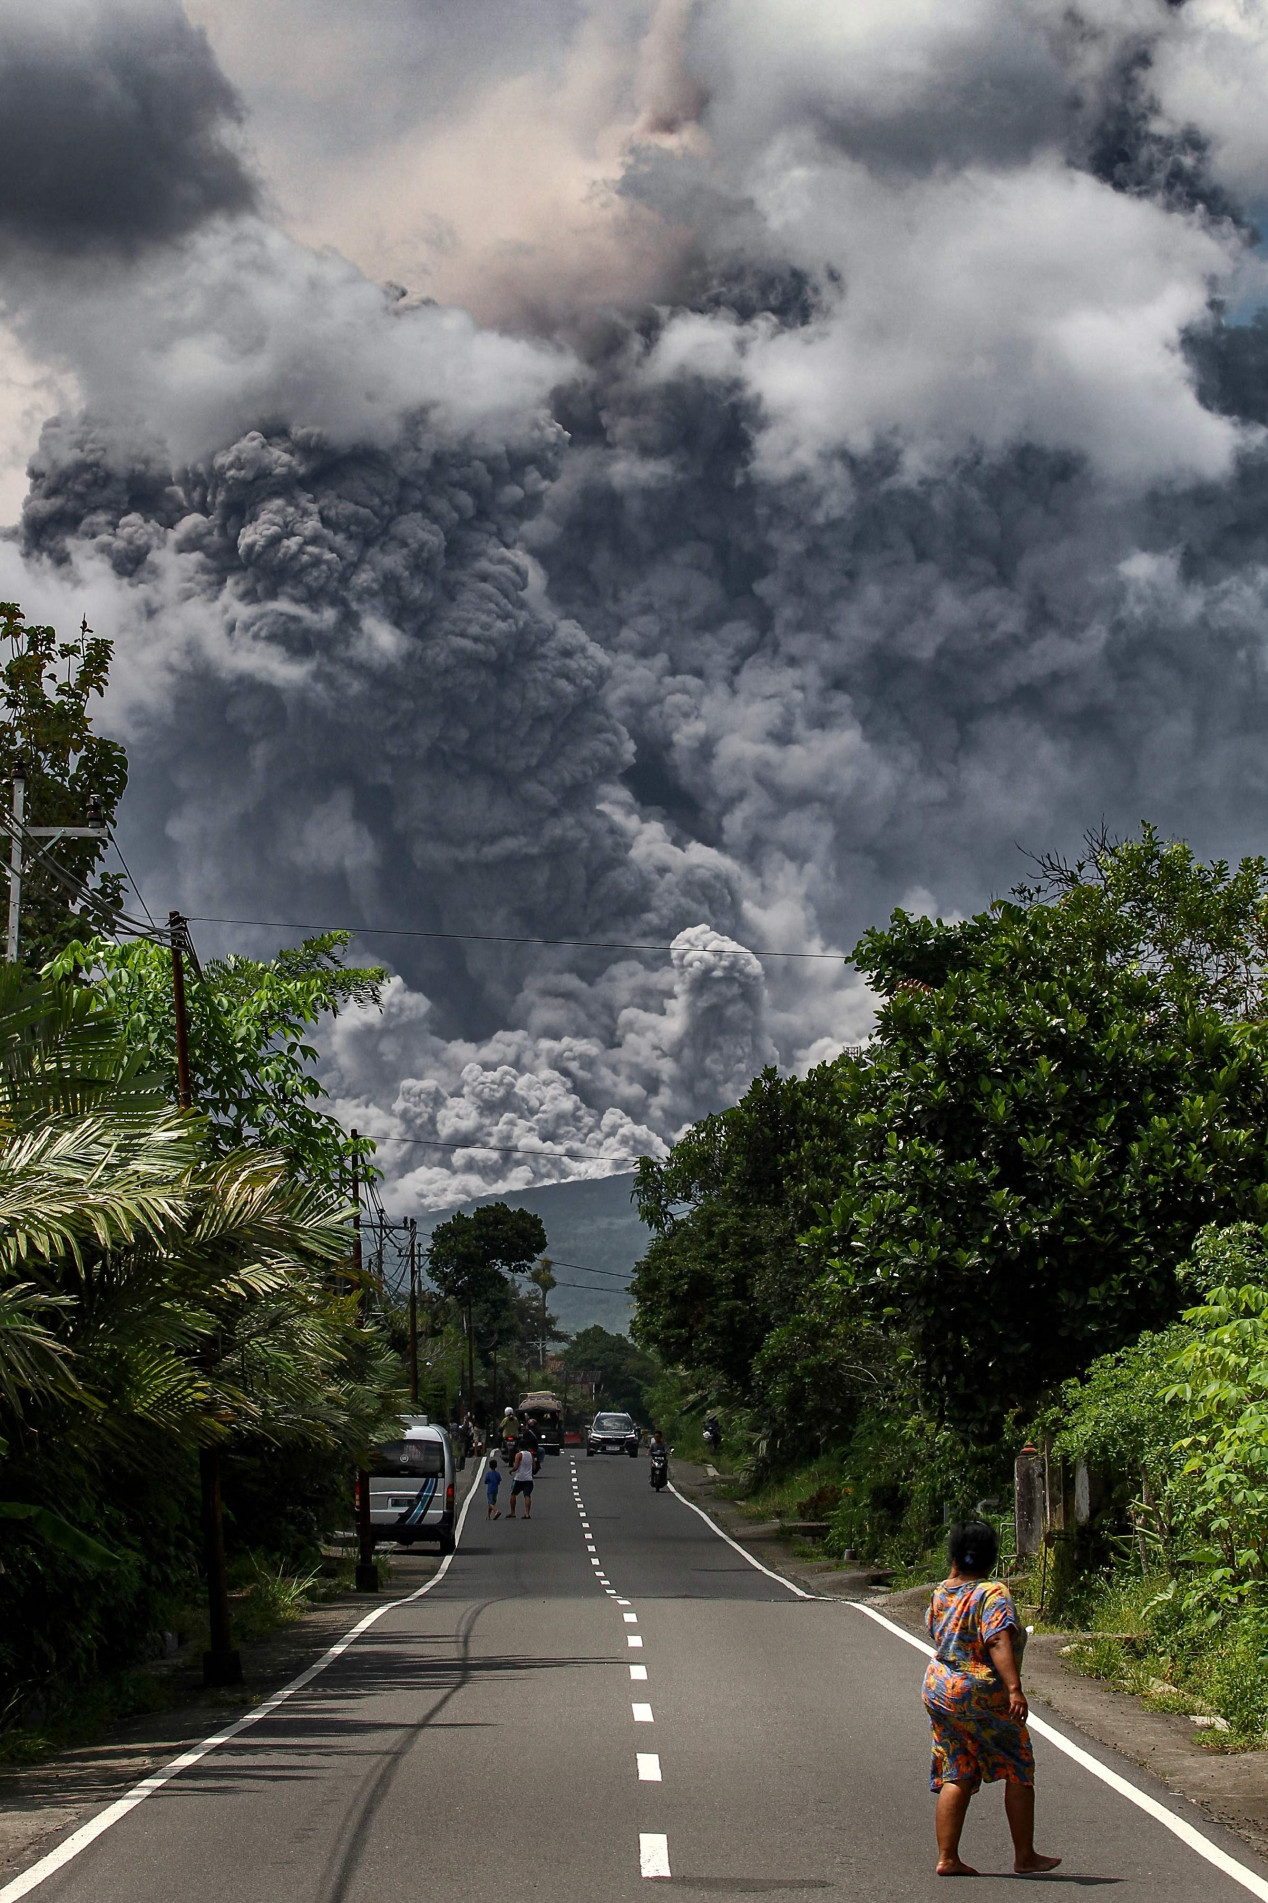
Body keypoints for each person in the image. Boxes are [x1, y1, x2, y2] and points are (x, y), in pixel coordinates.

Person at [923, 1519, 1060, 1878]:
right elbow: (997, 1638)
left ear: (954, 1557)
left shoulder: (941, 1592)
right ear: (991, 1558)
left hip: (941, 1689)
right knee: (1017, 1764)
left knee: (957, 1768)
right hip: (982, 1691)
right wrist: (1014, 1688)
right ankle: (1025, 1855)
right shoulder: (992, 1594)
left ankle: (947, 1857)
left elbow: (935, 1630)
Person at [507, 1442, 535, 1519]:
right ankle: (527, 1513)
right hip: (528, 1479)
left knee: (513, 1494)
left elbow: (516, 1466)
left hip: (519, 1478)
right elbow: (534, 1467)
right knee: (527, 1495)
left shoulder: (519, 1455)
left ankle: (513, 1512)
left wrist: (511, 1470)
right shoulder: (530, 1455)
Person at [485, 1455, 502, 1520]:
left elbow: (486, 1481)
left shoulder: (488, 1474)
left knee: (490, 1503)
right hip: (496, 1490)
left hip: (490, 1490)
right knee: (492, 1502)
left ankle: (496, 1511)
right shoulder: (497, 1473)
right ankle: (488, 1516)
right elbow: (499, 1481)